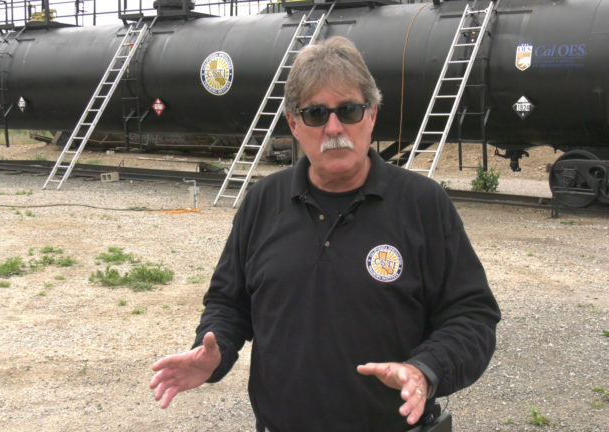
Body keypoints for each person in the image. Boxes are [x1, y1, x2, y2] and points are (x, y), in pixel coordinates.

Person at [150, 36, 500, 432]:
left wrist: (426, 369)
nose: (334, 128)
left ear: (371, 114)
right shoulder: (263, 201)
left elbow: (472, 316)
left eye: (349, 110)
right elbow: (229, 304)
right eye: (316, 114)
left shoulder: (423, 204)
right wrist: (214, 351)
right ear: (294, 124)